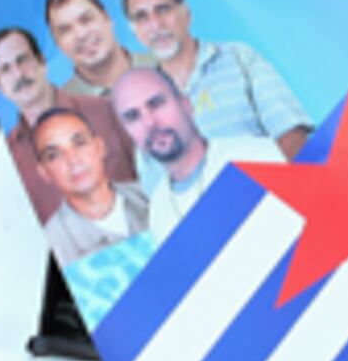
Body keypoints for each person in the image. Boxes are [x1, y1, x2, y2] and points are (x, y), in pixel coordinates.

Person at [123, 0, 313, 158]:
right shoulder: (140, 99)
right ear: (135, 33)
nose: (156, 24)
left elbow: (292, 134)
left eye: (163, 9)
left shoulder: (239, 58)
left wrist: (257, 189)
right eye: (142, 17)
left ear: (186, 14)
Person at [0, 25, 137, 225]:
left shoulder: (107, 110)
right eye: (5, 69)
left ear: (42, 62)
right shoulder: (9, 161)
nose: (18, 74)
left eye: (23, 60)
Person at [110, 65, 284, 236]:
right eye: (132, 117)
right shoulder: (159, 213)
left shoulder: (258, 157)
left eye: (156, 104)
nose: (149, 122)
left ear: (186, 105)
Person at [32, 107, 152, 265]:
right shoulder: (52, 249)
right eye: (54, 155)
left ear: (100, 147)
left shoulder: (154, 193)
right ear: (44, 172)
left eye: (79, 143)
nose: (73, 160)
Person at [45, 0, 154, 97]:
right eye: (65, 30)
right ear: (58, 43)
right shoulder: (64, 109)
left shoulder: (164, 67)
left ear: (107, 18)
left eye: (86, 20)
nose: (81, 34)